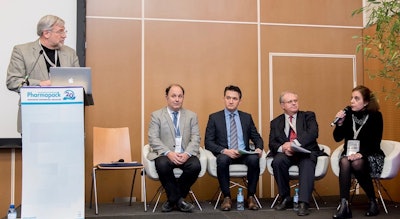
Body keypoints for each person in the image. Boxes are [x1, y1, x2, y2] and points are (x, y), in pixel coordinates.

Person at [6, 14, 80, 133]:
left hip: (66, 119)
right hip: (34, 118)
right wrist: (41, 84)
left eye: (64, 31)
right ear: (46, 33)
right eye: (60, 31)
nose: (64, 35)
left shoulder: (70, 53)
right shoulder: (22, 51)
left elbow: (79, 82)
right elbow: (13, 81)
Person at [205, 85, 264, 211]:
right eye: (228, 98)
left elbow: (257, 138)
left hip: (244, 154)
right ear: (224, 99)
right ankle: (226, 197)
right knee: (222, 160)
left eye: (234, 98)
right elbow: (208, 142)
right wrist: (225, 151)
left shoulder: (246, 117)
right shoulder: (214, 118)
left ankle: (251, 197)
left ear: (239, 101)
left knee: (254, 159)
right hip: (226, 153)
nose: (231, 101)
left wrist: (259, 148)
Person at [332, 85, 384, 219]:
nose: (352, 101)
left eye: (356, 98)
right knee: (344, 161)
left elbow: (375, 142)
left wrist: (361, 154)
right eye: (351, 98)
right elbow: (337, 138)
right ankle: (344, 205)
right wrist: (340, 124)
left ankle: (373, 201)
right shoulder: (348, 114)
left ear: (366, 102)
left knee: (357, 163)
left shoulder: (375, 116)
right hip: (350, 154)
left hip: (370, 154)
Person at [148, 84, 201, 213]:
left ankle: (172, 200)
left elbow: (196, 138)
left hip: (185, 154)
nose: (177, 99)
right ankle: (179, 201)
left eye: (180, 96)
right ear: (167, 97)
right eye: (173, 96)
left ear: (183, 98)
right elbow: (153, 138)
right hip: (166, 155)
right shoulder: (157, 115)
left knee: (195, 165)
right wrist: (168, 153)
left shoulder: (191, 116)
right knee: (161, 164)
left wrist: (188, 153)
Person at [269, 91, 323, 216]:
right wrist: (283, 148)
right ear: (282, 105)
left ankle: (303, 203)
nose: (294, 103)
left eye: (295, 100)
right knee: (277, 161)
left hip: (305, 152)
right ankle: (285, 198)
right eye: (290, 101)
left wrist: (294, 144)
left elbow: (313, 133)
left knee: (307, 164)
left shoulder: (308, 116)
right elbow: (272, 143)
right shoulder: (276, 122)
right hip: (287, 154)